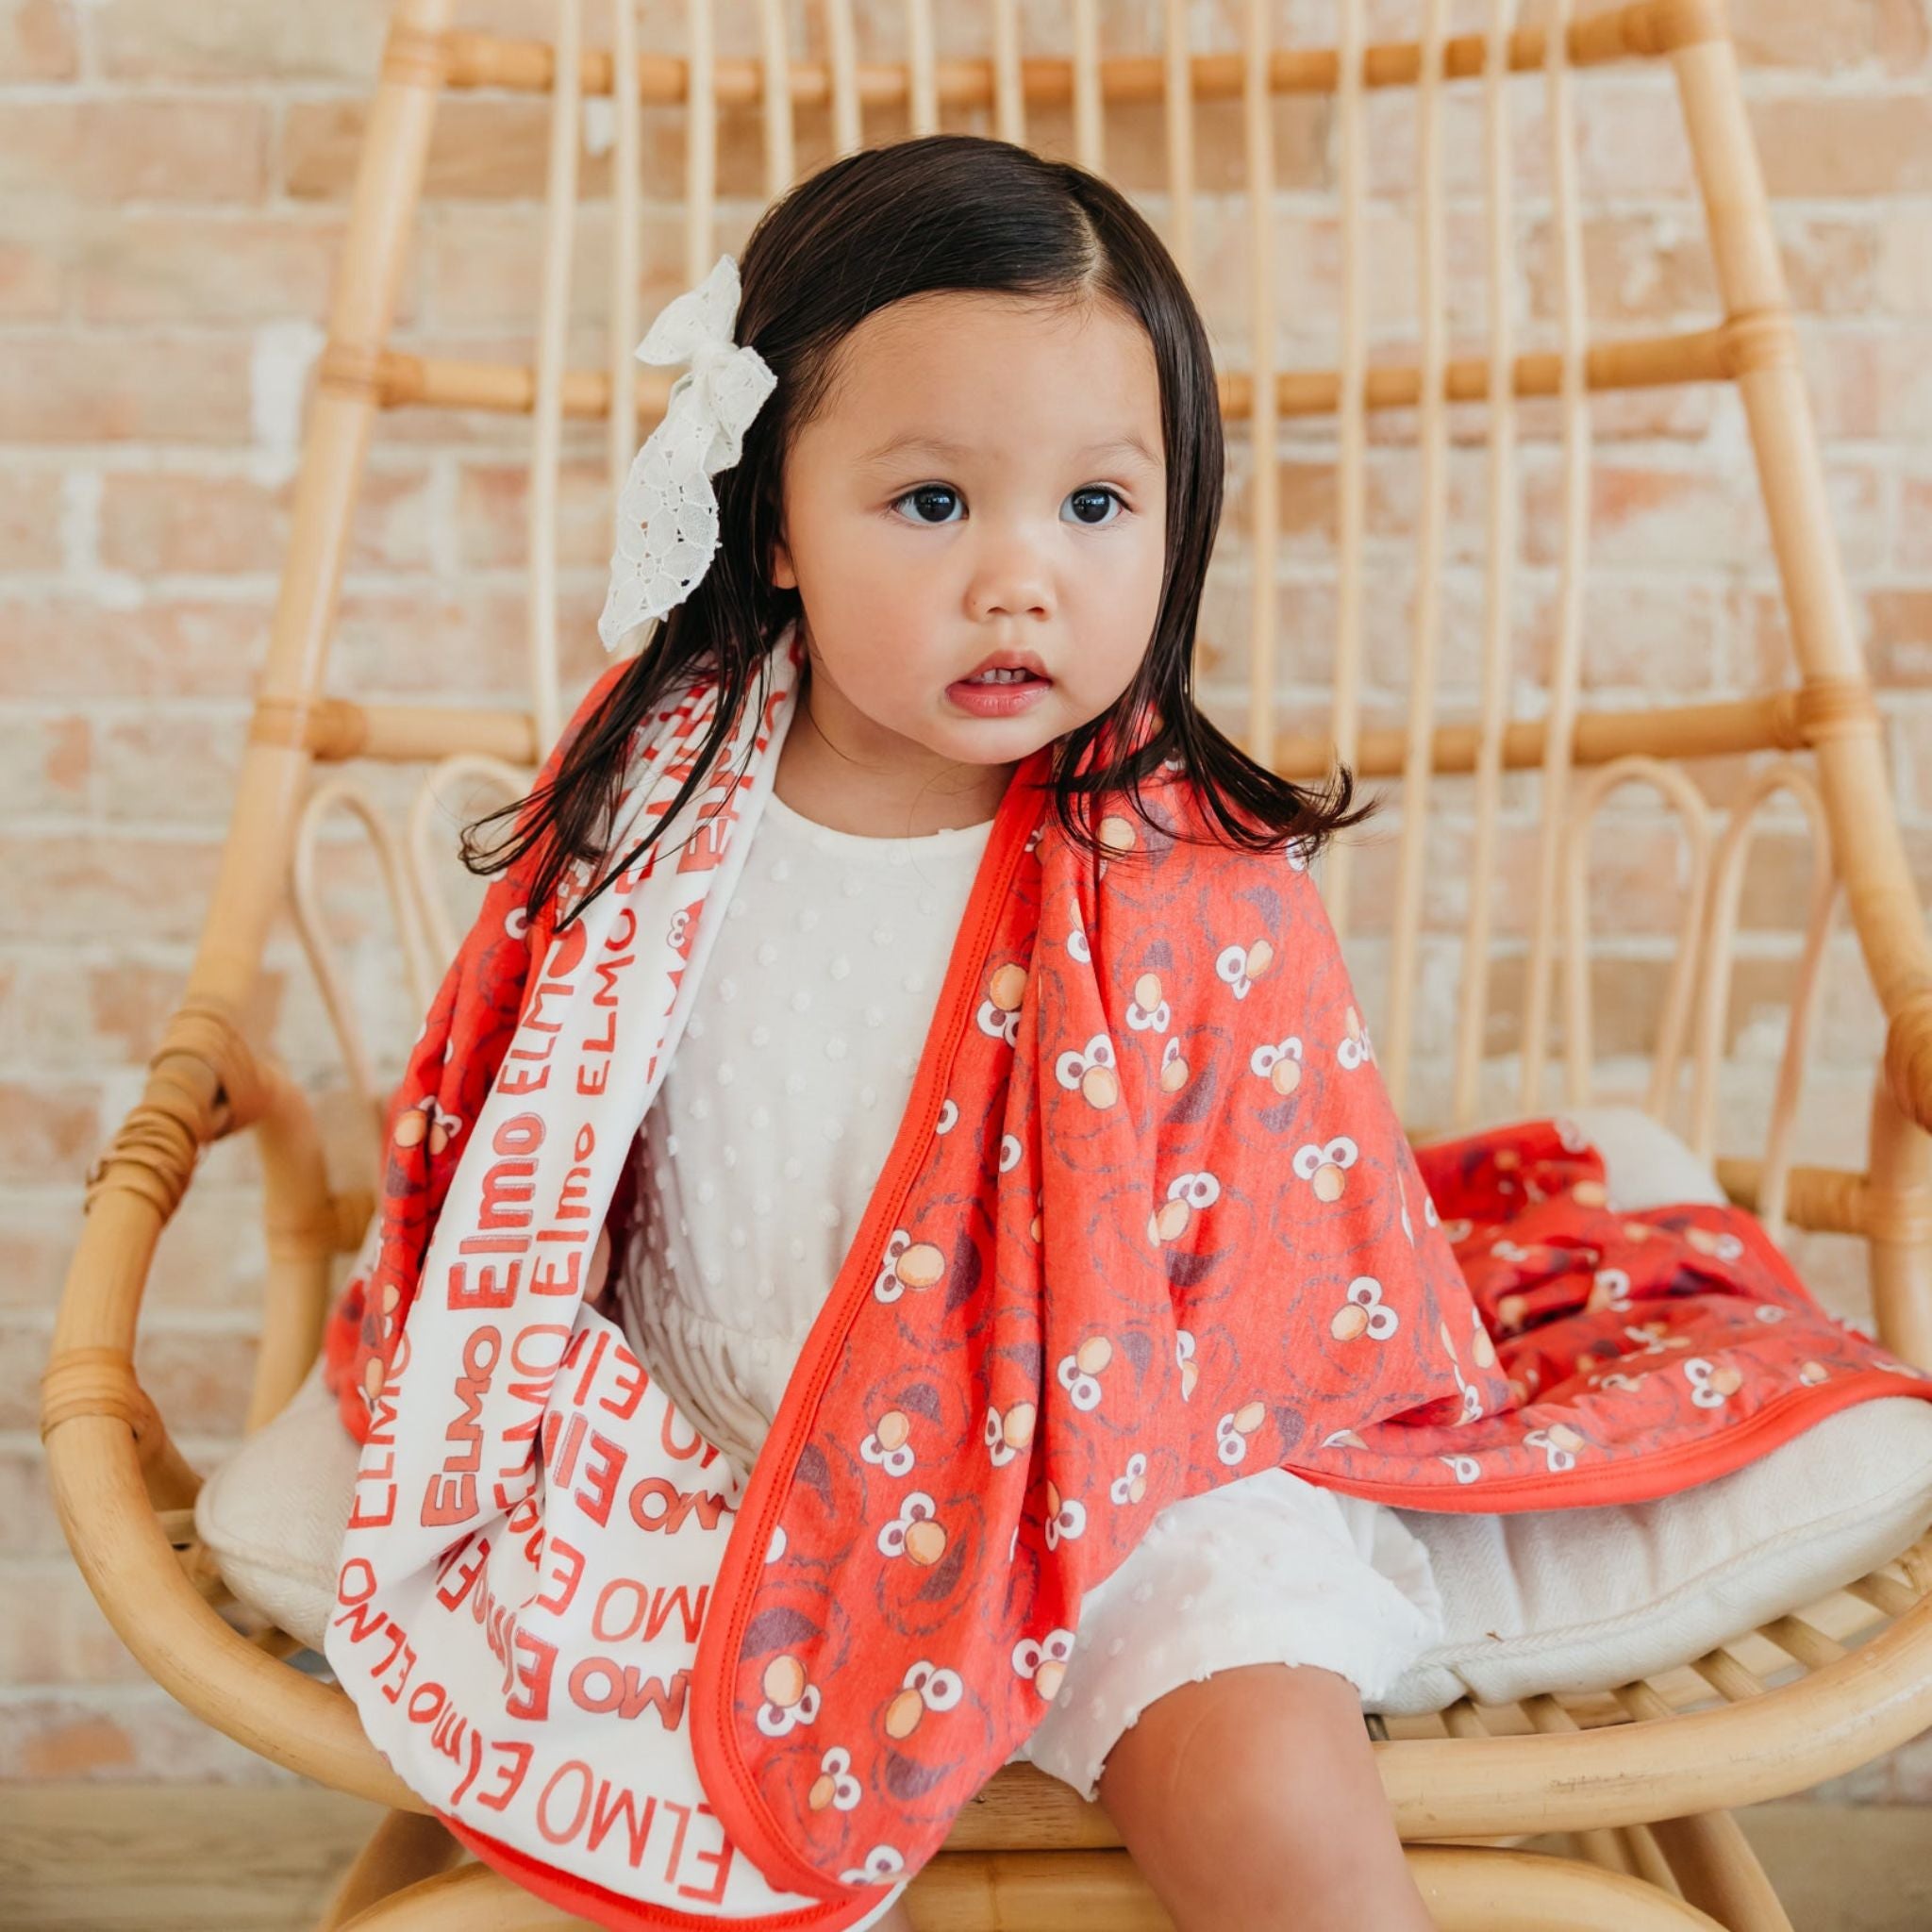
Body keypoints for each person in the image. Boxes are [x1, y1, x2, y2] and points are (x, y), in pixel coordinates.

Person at [458, 132, 1441, 1932]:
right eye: (931, 504)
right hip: (720, 1445)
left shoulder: (1186, 872)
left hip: (1107, 1466)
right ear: (772, 519)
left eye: (1096, 506)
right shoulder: (659, 802)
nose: (1020, 579)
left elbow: (1272, 1237)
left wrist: (1135, 1462)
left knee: (1277, 1793)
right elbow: (529, 1116)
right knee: (657, 1807)